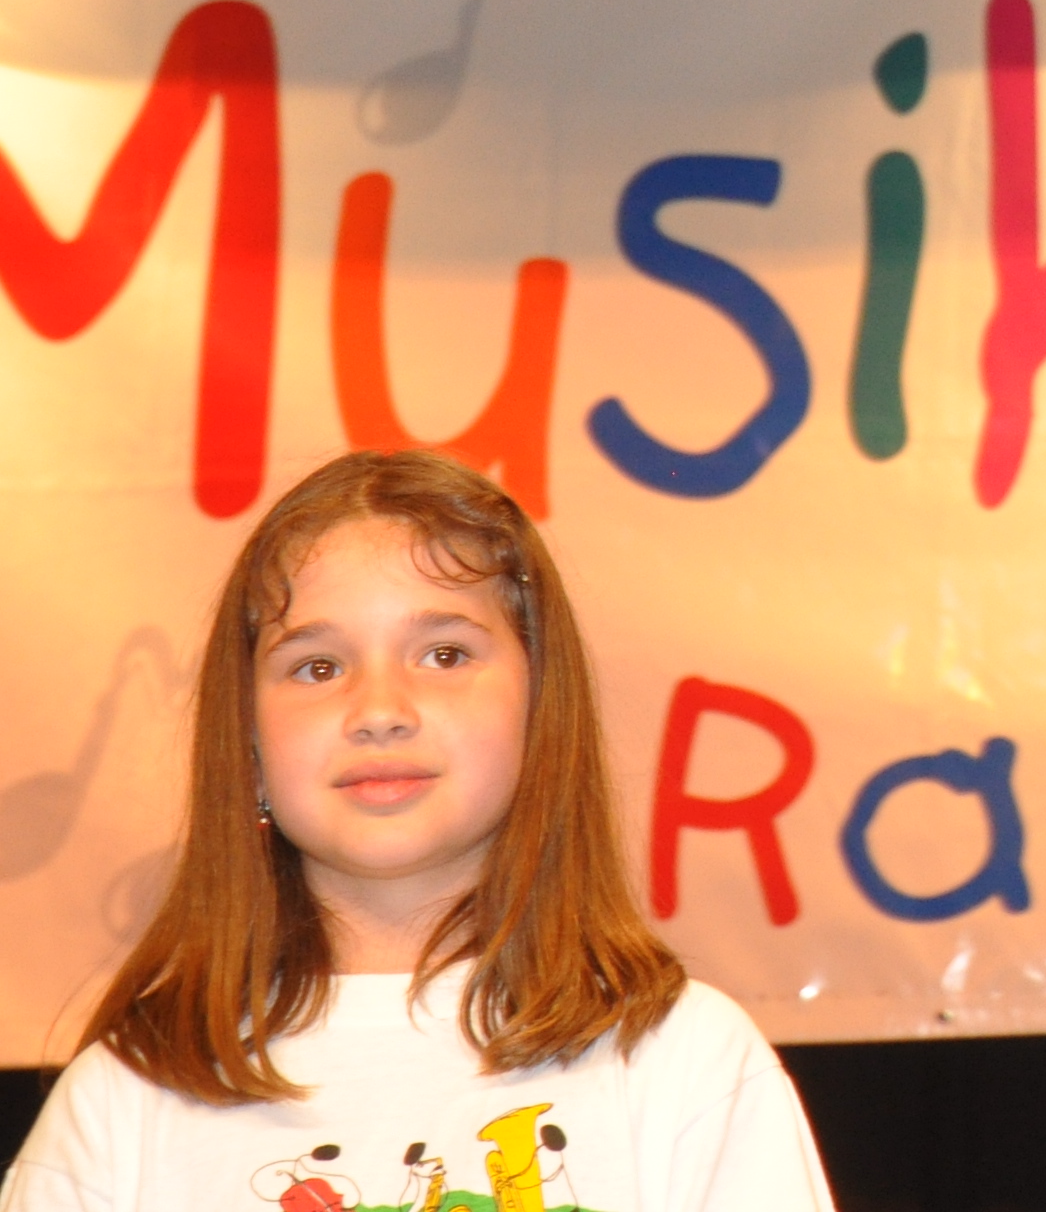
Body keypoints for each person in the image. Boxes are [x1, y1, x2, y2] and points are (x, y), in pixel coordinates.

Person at [2, 451, 835, 1212]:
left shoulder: (684, 1064)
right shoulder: (127, 1100)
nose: (379, 711)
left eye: (444, 654)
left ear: (542, 710)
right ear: (248, 745)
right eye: (317, 667)